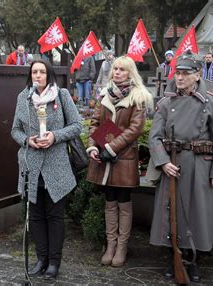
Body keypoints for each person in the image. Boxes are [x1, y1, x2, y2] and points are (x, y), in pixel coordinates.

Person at [148, 51, 213, 283]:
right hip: (172, 164)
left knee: (195, 215)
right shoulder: (166, 102)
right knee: (169, 212)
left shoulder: (212, 103)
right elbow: (154, 137)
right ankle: (172, 256)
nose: (179, 78)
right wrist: (163, 162)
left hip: (199, 167)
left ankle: (193, 262)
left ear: (197, 75)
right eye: (178, 73)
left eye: (185, 74)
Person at [11, 60, 83, 279]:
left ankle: (54, 262)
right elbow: (15, 130)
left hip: (56, 165)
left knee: (54, 216)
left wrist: (55, 136)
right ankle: (41, 259)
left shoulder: (61, 96)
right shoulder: (23, 98)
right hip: (31, 166)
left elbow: (77, 125)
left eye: (42, 72)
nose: (38, 75)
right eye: (34, 72)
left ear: (49, 75)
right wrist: (27, 140)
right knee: (35, 217)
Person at [86, 56, 153, 267]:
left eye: (122, 69)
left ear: (130, 72)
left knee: (123, 202)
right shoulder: (105, 94)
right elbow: (95, 122)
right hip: (105, 158)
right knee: (109, 201)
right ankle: (111, 244)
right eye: (115, 69)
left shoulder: (138, 96)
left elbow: (135, 129)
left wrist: (111, 147)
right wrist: (92, 145)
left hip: (124, 157)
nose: (117, 72)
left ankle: (122, 246)